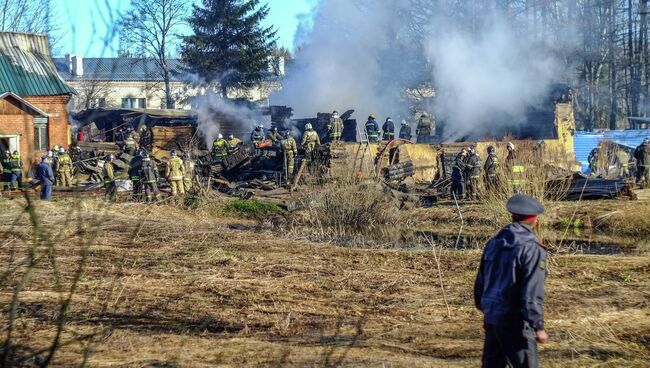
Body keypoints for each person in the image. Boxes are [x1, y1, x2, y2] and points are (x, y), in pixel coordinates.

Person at [474, 194, 548, 368]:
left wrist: (484, 306)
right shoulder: (532, 249)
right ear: (534, 220)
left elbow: (481, 280)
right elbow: (531, 292)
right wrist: (538, 326)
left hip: (492, 318)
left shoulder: (493, 243)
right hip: (516, 322)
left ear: (513, 216)